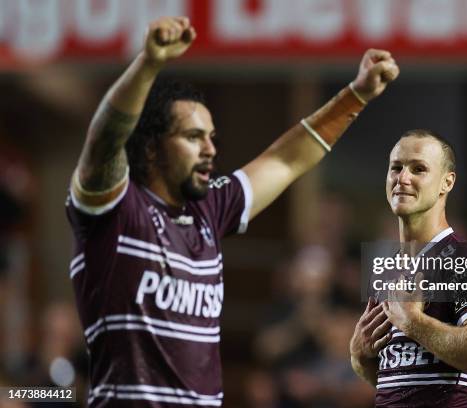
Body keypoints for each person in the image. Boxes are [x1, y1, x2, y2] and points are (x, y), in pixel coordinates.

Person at [65, 16, 399, 407]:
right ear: (152, 148)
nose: (210, 149)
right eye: (193, 137)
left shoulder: (210, 209)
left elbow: (287, 160)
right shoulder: (116, 212)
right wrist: (147, 64)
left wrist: (355, 96)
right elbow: (105, 140)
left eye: (211, 138)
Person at [349, 130, 467, 407]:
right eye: (396, 167)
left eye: (419, 169)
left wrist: (415, 323)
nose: (403, 178)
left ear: (446, 183)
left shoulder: (464, 260)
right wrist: (360, 358)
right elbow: (400, 381)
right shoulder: (387, 270)